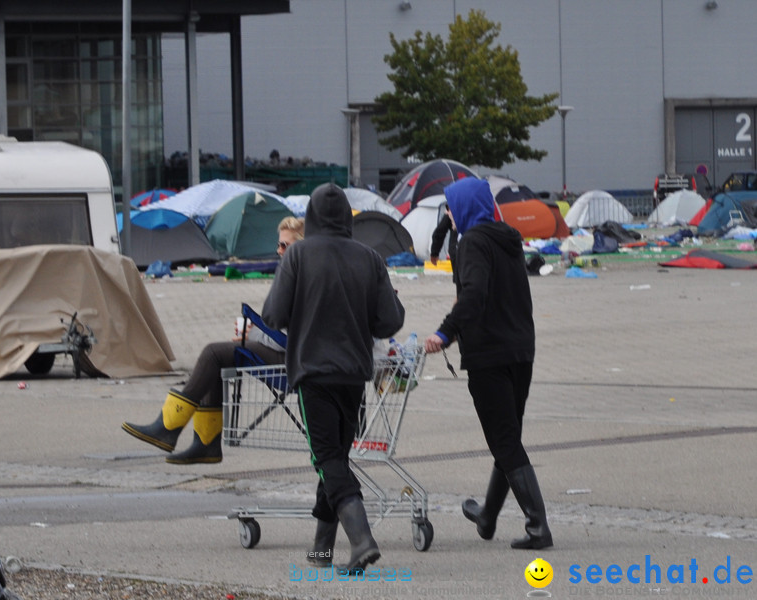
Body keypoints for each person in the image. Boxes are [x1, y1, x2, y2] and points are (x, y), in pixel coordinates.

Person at [262, 183, 405, 574]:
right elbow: (390, 321)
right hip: (353, 376)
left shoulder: (299, 256)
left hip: (313, 373)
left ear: (310, 217)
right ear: (347, 217)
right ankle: (322, 550)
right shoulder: (370, 257)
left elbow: (272, 315)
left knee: (327, 460)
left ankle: (362, 541)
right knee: (336, 459)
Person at [422, 177, 552, 550]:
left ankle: (538, 527)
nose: (448, 214)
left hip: (489, 355)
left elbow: (475, 294)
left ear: (463, 209)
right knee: (507, 436)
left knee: (505, 440)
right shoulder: (506, 238)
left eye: (451, 207)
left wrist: (445, 333)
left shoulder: (474, 243)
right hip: (520, 350)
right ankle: (488, 516)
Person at [121, 216, 305, 465]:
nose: (279, 251)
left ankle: (172, 426)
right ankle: (203, 442)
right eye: (279, 245)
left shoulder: (297, 276)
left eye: (285, 246)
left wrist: (252, 334)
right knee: (216, 358)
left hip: (292, 362)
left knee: (214, 353)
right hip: (296, 357)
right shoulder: (302, 272)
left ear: (301, 245)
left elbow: (289, 337)